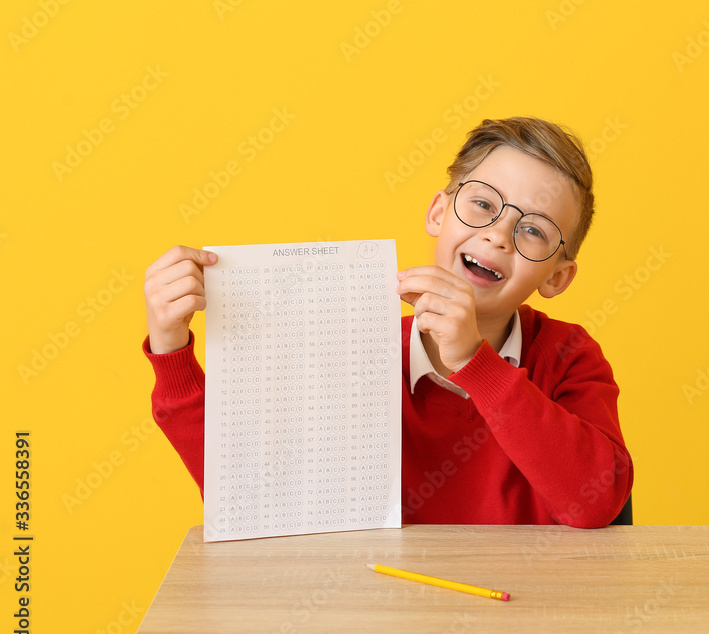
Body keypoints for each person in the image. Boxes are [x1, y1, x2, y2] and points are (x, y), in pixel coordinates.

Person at [143, 116, 632, 528]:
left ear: (557, 277)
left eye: (533, 230)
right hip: (378, 622)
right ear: (439, 212)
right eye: (483, 204)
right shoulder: (352, 349)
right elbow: (249, 495)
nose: (499, 235)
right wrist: (171, 350)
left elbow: (594, 502)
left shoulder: (570, 357)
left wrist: (472, 362)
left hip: (521, 623)